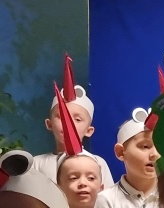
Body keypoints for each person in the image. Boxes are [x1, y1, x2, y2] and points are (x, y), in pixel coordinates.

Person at [35, 54, 114, 187]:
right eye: (61, 117)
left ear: (89, 130)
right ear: (49, 124)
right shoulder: (36, 164)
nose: (68, 124)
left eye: (77, 119)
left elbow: (107, 197)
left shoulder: (98, 163)